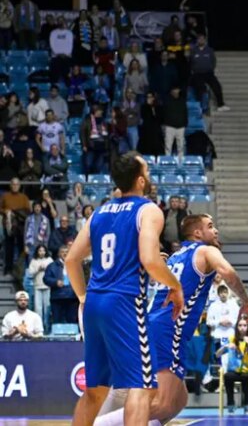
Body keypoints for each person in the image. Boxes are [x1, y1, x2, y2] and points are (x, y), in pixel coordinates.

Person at [93, 214, 248, 426]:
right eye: (210, 226)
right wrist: (246, 302)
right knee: (162, 404)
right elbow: (228, 273)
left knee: (178, 400)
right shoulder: (207, 251)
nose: (215, 230)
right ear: (197, 233)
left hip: (155, 327)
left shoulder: (175, 257)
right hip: (167, 330)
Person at [65, 152, 184, 426]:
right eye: (148, 171)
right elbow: (150, 260)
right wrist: (174, 286)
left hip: (95, 301)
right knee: (142, 387)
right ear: (141, 180)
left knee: (95, 391)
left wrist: (83, 296)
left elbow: (71, 259)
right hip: (124, 303)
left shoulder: (99, 211)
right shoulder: (149, 210)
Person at [217, 317, 248, 414]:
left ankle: (247, 404)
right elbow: (217, 355)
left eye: (245, 325)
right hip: (233, 371)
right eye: (240, 325)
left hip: (247, 371)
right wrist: (225, 347)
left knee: (246, 377)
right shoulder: (231, 339)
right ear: (236, 327)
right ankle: (231, 404)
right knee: (227, 376)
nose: (242, 328)